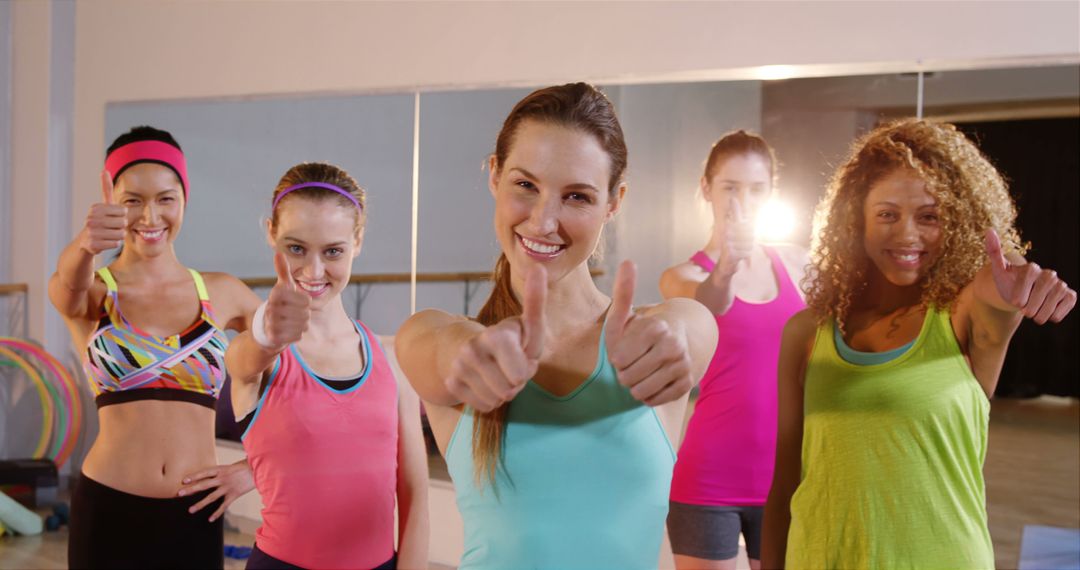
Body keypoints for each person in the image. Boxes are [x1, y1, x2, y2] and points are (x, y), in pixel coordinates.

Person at [395, 82, 717, 569]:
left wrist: (673, 340)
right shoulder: (440, 336)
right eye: (525, 185)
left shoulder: (656, 335)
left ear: (614, 202)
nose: (545, 221)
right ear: (494, 175)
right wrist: (467, 350)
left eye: (577, 196)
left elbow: (691, 327)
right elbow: (434, 347)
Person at [761, 119, 1077, 569]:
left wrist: (1023, 278)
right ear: (856, 221)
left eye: (929, 216)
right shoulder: (806, 332)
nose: (907, 235)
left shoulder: (965, 314)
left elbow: (999, 288)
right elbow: (786, 480)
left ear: (958, 223)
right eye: (887, 214)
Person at [50, 126, 260, 568]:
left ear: (185, 198)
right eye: (132, 201)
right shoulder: (94, 291)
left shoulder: (222, 293)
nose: (150, 216)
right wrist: (85, 246)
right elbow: (66, 288)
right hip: (108, 508)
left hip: (196, 512)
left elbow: (299, 379)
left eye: (166, 198)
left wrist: (255, 468)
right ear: (110, 203)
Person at [206, 162, 429, 570]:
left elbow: (413, 496)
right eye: (296, 249)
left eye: (333, 251)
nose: (313, 271)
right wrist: (267, 336)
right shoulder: (257, 355)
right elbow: (245, 359)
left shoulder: (392, 362)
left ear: (357, 241)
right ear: (271, 232)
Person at [661, 131, 807, 570]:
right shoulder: (682, 276)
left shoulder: (800, 264)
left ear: (772, 193)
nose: (743, 200)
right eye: (730, 187)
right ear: (706, 188)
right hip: (707, 480)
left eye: (757, 188)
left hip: (787, 478)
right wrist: (724, 270)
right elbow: (706, 305)